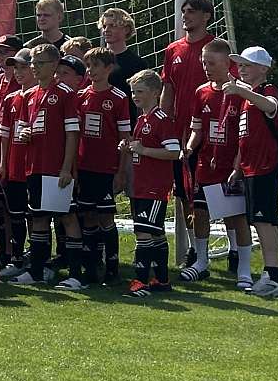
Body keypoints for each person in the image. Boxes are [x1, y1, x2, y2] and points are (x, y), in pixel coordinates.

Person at [159, 0, 219, 270]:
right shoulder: (173, 49)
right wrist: (162, 122)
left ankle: (234, 249)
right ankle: (196, 250)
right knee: (184, 193)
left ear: (206, 16)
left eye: (192, 11)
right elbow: (168, 88)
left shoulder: (216, 48)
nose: (185, 16)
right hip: (181, 133)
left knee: (217, 193)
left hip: (211, 133)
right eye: (184, 11)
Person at [182, 38, 248, 285]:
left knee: (235, 215)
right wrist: (190, 147)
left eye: (211, 63)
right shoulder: (202, 92)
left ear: (227, 63)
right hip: (206, 164)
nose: (206, 68)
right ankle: (201, 261)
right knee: (200, 212)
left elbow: (245, 134)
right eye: (203, 63)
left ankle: (242, 265)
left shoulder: (240, 92)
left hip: (230, 166)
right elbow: (197, 129)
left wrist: (238, 165)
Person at [12, 44, 78, 286]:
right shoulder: (28, 95)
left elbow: (72, 133)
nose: (34, 67)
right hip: (34, 166)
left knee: (67, 217)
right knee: (38, 218)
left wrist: (66, 168)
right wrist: (24, 134)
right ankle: (37, 272)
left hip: (56, 167)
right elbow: (21, 128)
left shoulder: (65, 93)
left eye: (40, 63)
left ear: (54, 65)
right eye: (33, 63)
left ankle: (76, 275)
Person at [230, 46, 278, 298]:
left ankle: (273, 276)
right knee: (260, 221)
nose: (242, 69)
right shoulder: (249, 96)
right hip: (251, 167)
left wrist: (242, 90)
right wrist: (238, 168)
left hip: (265, 165)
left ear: (263, 69)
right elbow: (246, 137)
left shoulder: (267, 90)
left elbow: (270, 105)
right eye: (240, 65)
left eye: (247, 65)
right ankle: (272, 273)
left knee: (265, 221)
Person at [73, 47, 133, 286]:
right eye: (88, 66)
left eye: (96, 66)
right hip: (85, 166)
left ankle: (112, 268)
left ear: (109, 68)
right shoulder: (81, 96)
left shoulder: (119, 97)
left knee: (106, 217)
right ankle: (91, 266)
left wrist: (121, 171)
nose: (91, 71)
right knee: (88, 215)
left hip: (107, 168)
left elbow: (125, 137)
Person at [123, 70, 182, 297]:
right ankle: (161, 280)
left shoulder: (161, 119)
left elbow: (174, 152)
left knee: (143, 232)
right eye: (133, 92)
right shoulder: (142, 119)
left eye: (140, 92)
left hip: (154, 186)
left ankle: (140, 281)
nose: (135, 96)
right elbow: (141, 149)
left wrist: (143, 150)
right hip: (141, 185)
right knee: (155, 233)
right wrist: (129, 147)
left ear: (156, 92)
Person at [0, 51, 36, 276]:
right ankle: (17, 258)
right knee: (16, 214)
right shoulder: (11, 98)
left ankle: (38, 260)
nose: (18, 73)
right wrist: (3, 164)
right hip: (14, 166)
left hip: (36, 166)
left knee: (36, 216)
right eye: (16, 68)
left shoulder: (43, 95)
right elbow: (4, 134)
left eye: (23, 67)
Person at [98, 7, 147, 90]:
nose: (106, 30)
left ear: (126, 29)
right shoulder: (95, 59)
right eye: (104, 26)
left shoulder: (137, 64)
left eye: (112, 26)